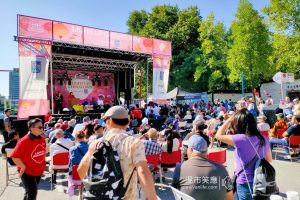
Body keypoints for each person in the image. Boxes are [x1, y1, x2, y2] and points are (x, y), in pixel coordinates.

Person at [78, 106, 157, 199]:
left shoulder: (96, 143)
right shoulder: (133, 143)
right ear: (128, 122)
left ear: (109, 121)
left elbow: (80, 171)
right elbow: (143, 172)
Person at [216, 108, 272, 200]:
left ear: (238, 124)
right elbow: (269, 159)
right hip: (262, 180)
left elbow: (218, 135)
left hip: (245, 182)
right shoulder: (264, 138)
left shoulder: (240, 139)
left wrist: (229, 120)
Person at [172, 135, 234, 200]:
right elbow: (230, 197)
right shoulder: (222, 169)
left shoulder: (180, 168)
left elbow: (176, 194)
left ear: (190, 150)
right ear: (206, 150)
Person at [11, 118, 46, 200]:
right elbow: (14, 157)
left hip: (38, 171)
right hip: (27, 172)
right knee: (33, 193)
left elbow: (42, 153)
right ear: (31, 128)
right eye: (40, 127)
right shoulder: (24, 141)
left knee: (29, 192)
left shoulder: (42, 139)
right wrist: (22, 167)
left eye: (42, 126)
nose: (42, 129)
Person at [67, 130, 88, 196]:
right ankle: (81, 193)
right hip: (88, 171)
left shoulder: (72, 149)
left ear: (76, 137)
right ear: (84, 136)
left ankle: (77, 190)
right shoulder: (90, 147)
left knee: (72, 169)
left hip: (76, 171)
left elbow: (71, 162)